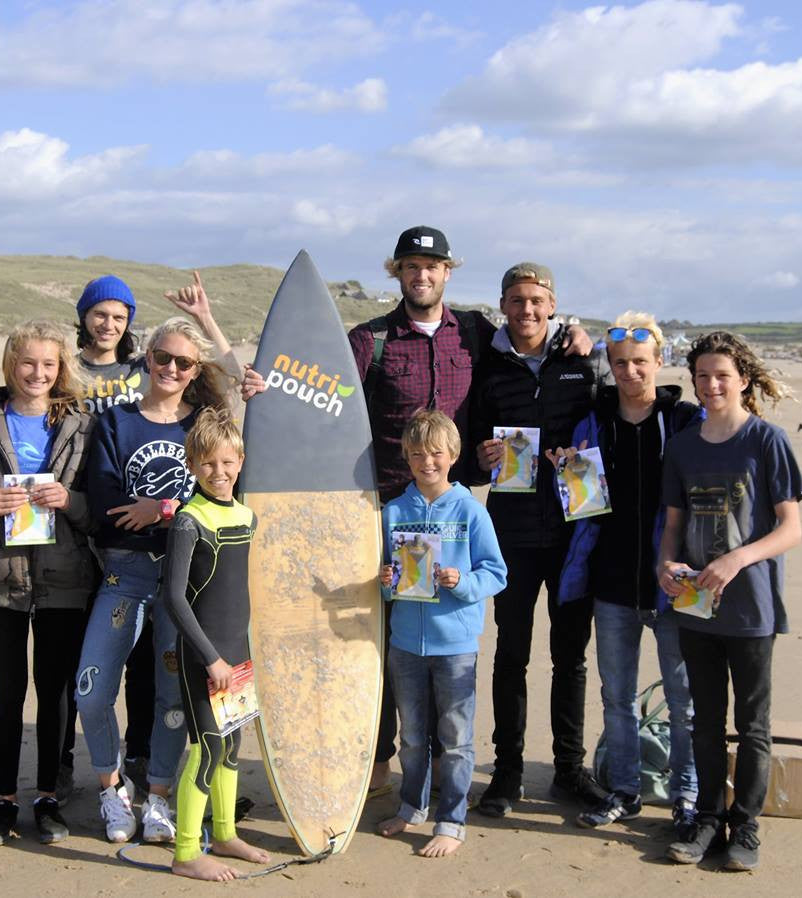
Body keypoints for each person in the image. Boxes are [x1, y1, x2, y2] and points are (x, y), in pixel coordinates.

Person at [241, 229, 590, 794]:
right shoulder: (370, 339)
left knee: (440, 625)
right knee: (378, 631)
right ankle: (377, 757)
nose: (421, 276)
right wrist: (267, 387)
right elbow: (317, 392)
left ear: (447, 271)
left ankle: (439, 765)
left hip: (452, 507)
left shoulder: (474, 333)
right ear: (397, 273)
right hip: (383, 509)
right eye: (410, 267)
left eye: (431, 266)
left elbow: (533, 334)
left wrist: (577, 332)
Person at [66, 272, 241, 801]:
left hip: (186, 584)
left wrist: (162, 509)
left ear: (194, 370)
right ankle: (112, 789)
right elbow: (106, 506)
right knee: (92, 693)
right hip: (125, 575)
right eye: (162, 357)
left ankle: (160, 797)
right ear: (146, 358)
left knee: (171, 697)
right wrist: (166, 511)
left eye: (183, 362)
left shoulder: (206, 426)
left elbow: (223, 491)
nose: (170, 368)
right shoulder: (117, 423)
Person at [0, 321, 97, 845]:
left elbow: (100, 510)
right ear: (11, 364)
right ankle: (5, 801)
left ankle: (48, 798)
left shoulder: (83, 425)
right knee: (9, 690)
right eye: (28, 363)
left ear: (60, 369)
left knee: (54, 693)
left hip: (66, 578)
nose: (37, 373)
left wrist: (69, 502)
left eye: (48, 364)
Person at [658, 331, 802, 871]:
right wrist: (666, 564)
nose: (712, 384)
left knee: (752, 725)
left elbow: (791, 529)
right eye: (702, 376)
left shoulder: (766, 441)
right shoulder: (683, 447)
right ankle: (705, 819)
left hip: (752, 610)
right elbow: (673, 528)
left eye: (722, 375)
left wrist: (737, 558)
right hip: (696, 608)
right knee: (704, 721)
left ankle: (745, 827)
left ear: (743, 379)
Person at [468, 262, 611, 816]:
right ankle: (505, 775)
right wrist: (482, 458)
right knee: (510, 655)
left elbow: (610, 426)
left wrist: (589, 340)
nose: (526, 310)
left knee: (570, 658)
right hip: (514, 533)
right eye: (516, 300)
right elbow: (474, 450)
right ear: (503, 305)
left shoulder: (582, 359)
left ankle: (569, 772)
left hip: (576, 532)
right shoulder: (491, 367)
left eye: (536, 300)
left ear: (552, 305)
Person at [554, 312, 700, 836]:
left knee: (683, 703)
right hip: (611, 585)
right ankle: (624, 789)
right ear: (610, 367)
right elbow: (578, 507)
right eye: (620, 364)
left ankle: (687, 794)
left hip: (672, 587)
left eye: (640, 362)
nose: (630, 372)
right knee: (617, 698)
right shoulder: (593, 424)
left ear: (659, 362)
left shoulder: (684, 421)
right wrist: (564, 472)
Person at [377, 411, 507, 857]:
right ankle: (412, 806)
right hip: (405, 644)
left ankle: (451, 820)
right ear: (406, 459)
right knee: (413, 736)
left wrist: (462, 581)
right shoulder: (392, 511)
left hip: (455, 646)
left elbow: (496, 573)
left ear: (452, 456)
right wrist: (384, 578)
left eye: (435, 453)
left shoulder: (471, 511)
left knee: (454, 739)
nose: (426, 462)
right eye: (416, 454)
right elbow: (382, 578)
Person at [160, 408, 270, 881]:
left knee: (231, 746)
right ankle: (187, 851)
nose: (218, 472)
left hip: (237, 656)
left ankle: (224, 834)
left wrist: (240, 657)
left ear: (240, 461)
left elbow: (240, 594)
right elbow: (173, 598)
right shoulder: (190, 520)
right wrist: (212, 659)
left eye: (227, 463)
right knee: (206, 748)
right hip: (205, 657)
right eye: (207, 464)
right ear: (192, 466)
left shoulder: (246, 515)